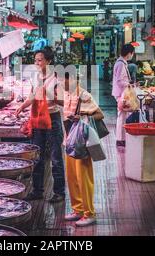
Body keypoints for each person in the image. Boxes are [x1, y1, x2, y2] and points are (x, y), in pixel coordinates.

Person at [15, 47, 65, 203]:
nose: (36, 63)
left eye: (40, 60)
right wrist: (22, 106)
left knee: (56, 157)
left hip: (53, 119)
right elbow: (32, 95)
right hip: (38, 120)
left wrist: (49, 95)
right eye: (35, 60)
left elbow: (63, 101)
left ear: (48, 61)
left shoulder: (57, 78)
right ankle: (37, 190)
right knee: (37, 155)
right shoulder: (36, 77)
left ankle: (59, 192)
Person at [63, 72, 103, 227]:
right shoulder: (67, 94)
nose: (60, 83)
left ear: (72, 78)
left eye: (62, 79)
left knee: (84, 179)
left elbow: (100, 114)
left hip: (81, 143)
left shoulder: (84, 95)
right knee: (72, 178)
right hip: (69, 142)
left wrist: (83, 116)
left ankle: (89, 213)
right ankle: (77, 209)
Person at [112, 43, 135, 147]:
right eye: (132, 53)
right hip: (121, 93)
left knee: (122, 116)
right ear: (129, 53)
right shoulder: (121, 64)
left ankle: (121, 138)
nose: (132, 55)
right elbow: (120, 81)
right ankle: (120, 139)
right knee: (122, 116)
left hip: (121, 93)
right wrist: (129, 84)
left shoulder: (121, 62)